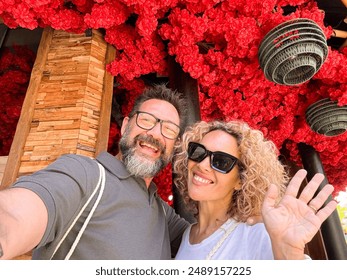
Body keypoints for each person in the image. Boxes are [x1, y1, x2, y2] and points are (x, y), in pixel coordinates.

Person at [0, 84, 191, 260]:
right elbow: (17, 213)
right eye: (146, 119)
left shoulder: (162, 214)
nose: (156, 133)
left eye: (169, 129)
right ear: (126, 125)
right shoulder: (86, 175)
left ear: (174, 145)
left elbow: (209, 239)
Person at [173, 120, 337, 260]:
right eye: (198, 152)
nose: (202, 165)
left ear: (240, 180)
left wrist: (289, 255)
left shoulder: (259, 234)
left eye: (221, 162)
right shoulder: (186, 235)